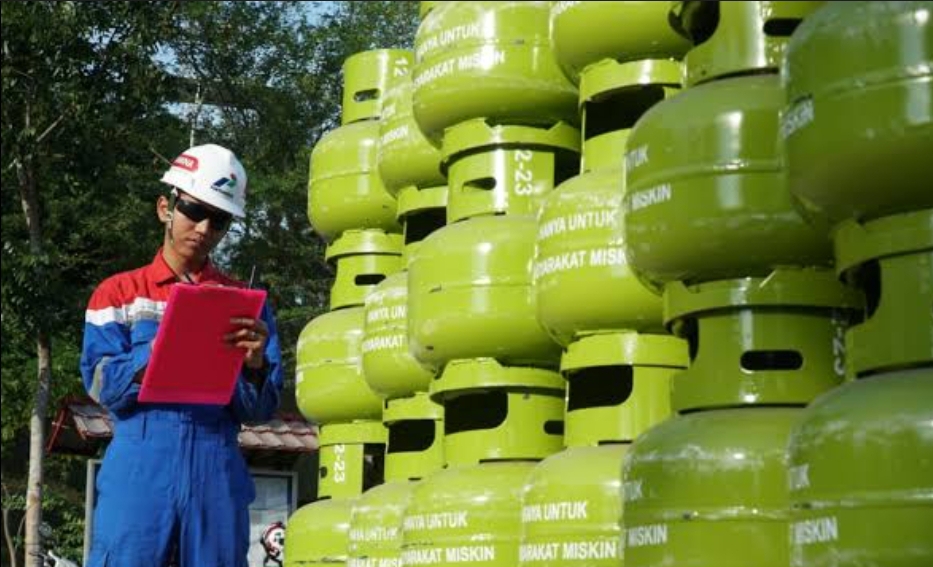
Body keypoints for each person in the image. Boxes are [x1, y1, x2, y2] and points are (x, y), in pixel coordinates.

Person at [79, 143, 284, 567]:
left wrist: (255, 366)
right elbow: (101, 386)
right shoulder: (117, 294)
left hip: (217, 466)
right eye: (194, 210)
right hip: (140, 466)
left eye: (220, 219)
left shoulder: (245, 304)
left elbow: (261, 410)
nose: (204, 228)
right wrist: (160, 351)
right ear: (165, 208)